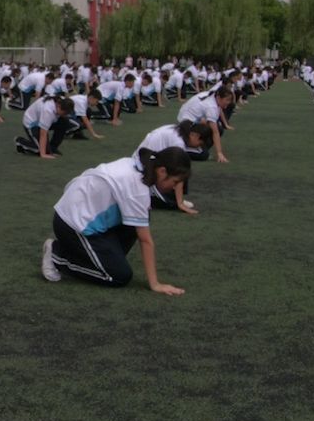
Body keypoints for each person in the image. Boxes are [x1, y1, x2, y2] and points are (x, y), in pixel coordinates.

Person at [41, 146, 190, 296]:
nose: (175, 187)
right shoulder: (137, 187)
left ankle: (103, 260)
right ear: (162, 171)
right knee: (118, 276)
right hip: (72, 224)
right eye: (175, 181)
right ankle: (57, 256)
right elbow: (145, 240)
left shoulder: (139, 166)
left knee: (140, 219)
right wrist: (155, 284)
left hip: (82, 214)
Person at [138, 122, 211, 213]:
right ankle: (148, 196)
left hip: (150, 163)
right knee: (171, 204)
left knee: (184, 166)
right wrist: (179, 203)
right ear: (195, 135)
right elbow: (178, 172)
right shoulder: (178, 142)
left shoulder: (178, 131)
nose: (198, 146)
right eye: (200, 143)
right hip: (145, 169)